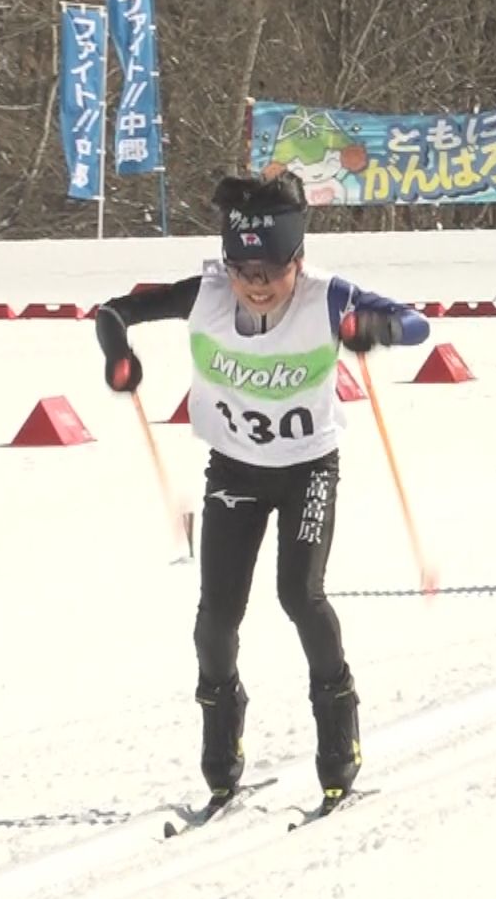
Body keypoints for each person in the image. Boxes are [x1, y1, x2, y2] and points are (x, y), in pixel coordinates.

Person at [93, 171, 431, 809]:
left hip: (308, 470)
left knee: (300, 595)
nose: (256, 284)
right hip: (234, 472)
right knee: (216, 618)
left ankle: (339, 734)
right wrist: (118, 355)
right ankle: (222, 739)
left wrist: (372, 328)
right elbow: (112, 314)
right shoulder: (206, 295)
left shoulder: (326, 298)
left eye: (271, 271)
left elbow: (416, 325)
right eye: (243, 270)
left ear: (297, 260)